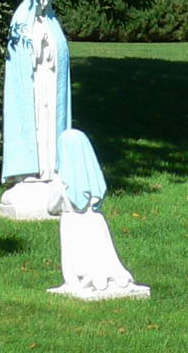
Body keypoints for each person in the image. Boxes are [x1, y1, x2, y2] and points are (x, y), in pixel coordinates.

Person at [46, 128, 148, 298]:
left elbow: (51, 208)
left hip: (72, 222)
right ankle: (106, 278)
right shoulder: (93, 178)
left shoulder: (62, 182)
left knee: (76, 256)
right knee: (101, 253)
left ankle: (76, 282)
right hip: (95, 220)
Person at [1, 0, 71, 185]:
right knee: (34, 123)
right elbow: (19, 57)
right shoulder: (21, 22)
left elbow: (61, 52)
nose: (45, 3)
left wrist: (51, 49)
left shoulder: (52, 22)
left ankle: (50, 168)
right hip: (32, 85)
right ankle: (27, 169)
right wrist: (37, 47)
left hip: (49, 80)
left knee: (49, 124)